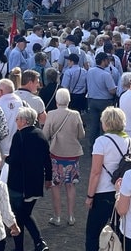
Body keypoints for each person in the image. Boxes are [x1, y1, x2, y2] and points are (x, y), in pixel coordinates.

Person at [6, 107, 51, 251]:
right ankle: (39, 242)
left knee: (20, 216)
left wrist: (5, 160)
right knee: (25, 214)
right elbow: (47, 160)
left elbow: (14, 160)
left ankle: (22, 246)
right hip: (35, 184)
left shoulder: (18, 137)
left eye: (18, 118)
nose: (16, 120)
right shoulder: (41, 135)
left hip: (19, 184)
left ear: (25, 121)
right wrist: (48, 178)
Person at [85, 106, 128, 251]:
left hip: (103, 191)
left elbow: (95, 172)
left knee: (93, 234)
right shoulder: (130, 141)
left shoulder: (101, 142)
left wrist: (90, 196)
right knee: (118, 232)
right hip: (123, 192)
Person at [43, 88, 85, 226]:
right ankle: (71, 216)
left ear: (56, 101)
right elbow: (81, 135)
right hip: (72, 154)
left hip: (56, 153)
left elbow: (45, 134)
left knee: (56, 186)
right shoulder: (75, 114)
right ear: (69, 100)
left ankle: (57, 217)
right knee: (70, 186)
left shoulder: (51, 114)